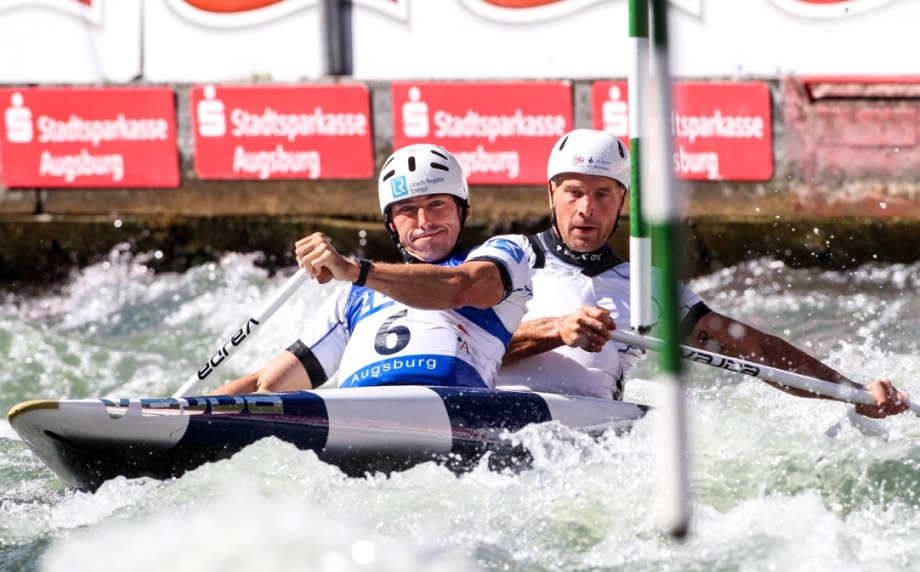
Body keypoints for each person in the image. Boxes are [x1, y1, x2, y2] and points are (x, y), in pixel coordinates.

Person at [495, 128, 910, 419]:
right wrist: (554, 330)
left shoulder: (649, 289)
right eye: (574, 192)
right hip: (490, 413)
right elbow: (456, 345)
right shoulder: (507, 257)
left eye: (602, 194)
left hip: (586, 435)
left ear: (621, 200)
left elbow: (758, 351)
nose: (587, 208)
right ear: (552, 193)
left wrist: (851, 392)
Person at [211, 144, 532, 394]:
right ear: (391, 225)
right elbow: (267, 386)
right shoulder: (351, 299)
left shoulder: (504, 254)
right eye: (407, 209)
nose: (424, 222)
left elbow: (461, 286)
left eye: (436, 204)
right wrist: (185, 413)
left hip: (458, 411)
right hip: (359, 416)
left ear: (464, 212)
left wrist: (356, 271)